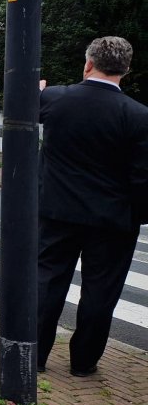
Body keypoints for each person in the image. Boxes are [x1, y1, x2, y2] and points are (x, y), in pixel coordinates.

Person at [37, 36, 148, 376]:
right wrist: (137, 217)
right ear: (125, 70)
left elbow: (21, 110)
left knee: (46, 281)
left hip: (57, 212)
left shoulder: (55, 98)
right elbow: (143, 177)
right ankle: (83, 363)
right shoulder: (139, 115)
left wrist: (34, 90)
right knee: (101, 291)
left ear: (88, 63)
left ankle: (33, 355)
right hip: (112, 220)